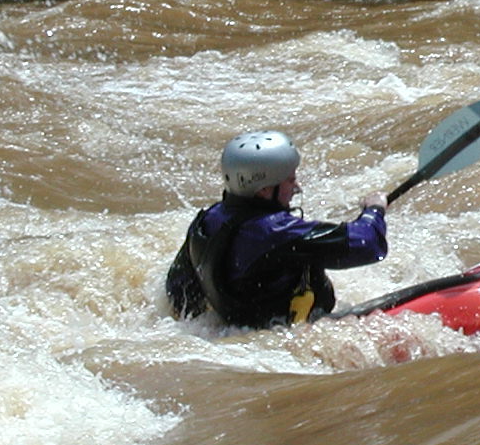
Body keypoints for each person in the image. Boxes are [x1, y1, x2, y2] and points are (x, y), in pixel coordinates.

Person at [165, 129, 388, 328]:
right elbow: (368, 243)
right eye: (290, 180)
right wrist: (374, 210)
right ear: (264, 190)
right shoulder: (276, 232)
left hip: (239, 333)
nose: (297, 187)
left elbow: (177, 289)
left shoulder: (208, 219)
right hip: (290, 333)